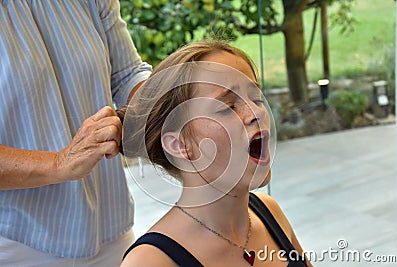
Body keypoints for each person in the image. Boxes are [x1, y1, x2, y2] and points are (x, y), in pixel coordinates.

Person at [119, 40, 312, 267]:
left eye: (257, 99)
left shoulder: (269, 212)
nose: (257, 112)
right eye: (227, 107)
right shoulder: (149, 262)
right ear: (180, 144)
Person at [0, 0, 152, 266]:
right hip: (18, 244)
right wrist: (60, 162)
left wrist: (174, 107)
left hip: (112, 226)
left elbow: (128, 74)